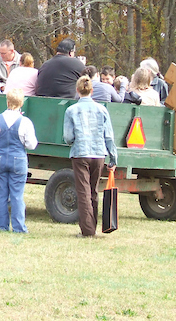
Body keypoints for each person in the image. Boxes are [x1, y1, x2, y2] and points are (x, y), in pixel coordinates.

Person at [63, 76, 117, 237]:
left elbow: (68, 137)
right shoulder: (102, 109)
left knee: (83, 191)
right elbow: (109, 136)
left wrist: (72, 141)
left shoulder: (71, 110)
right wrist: (113, 158)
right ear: (92, 90)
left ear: (77, 91)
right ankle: (92, 225)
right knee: (93, 190)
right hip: (99, 153)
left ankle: (87, 230)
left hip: (80, 153)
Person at [0, 88, 38, 233]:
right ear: (21, 103)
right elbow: (32, 145)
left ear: (7, 101)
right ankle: (19, 227)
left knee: (0, 194)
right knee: (17, 195)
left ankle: (2, 226)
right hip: (18, 160)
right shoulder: (25, 122)